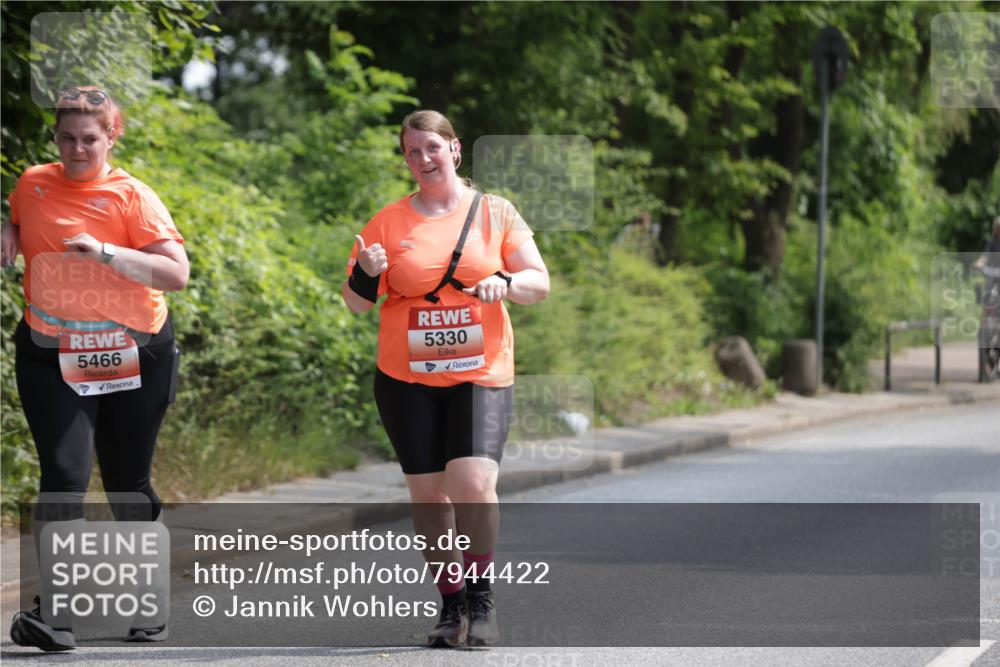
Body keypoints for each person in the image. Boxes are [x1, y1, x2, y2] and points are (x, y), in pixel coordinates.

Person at [342, 110, 549, 647]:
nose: (423, 159)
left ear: (454, 149)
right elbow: (356, 304)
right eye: (412, 151)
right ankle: (451, 604)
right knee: (431, 497)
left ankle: (481, 599)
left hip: (481, 371)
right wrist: (366, 272)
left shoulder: (496, 211)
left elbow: (539, 281)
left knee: (474, 485)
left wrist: (506, 282)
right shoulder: (387, 222)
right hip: (405, 378)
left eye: (432, 147)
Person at [2, 86, 188, 651]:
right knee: (63, 476)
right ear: (55, 138)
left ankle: (148, 599)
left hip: (134, 351)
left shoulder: (133, 197)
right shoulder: (33, 183)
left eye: (89, 139)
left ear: (112, 137)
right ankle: (58, 613)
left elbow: (175, 274)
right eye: (67, 138)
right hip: (53, 352)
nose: (78, 149)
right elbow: (21, 217)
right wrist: (10, 232)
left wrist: (107, 253)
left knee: (127, 482)